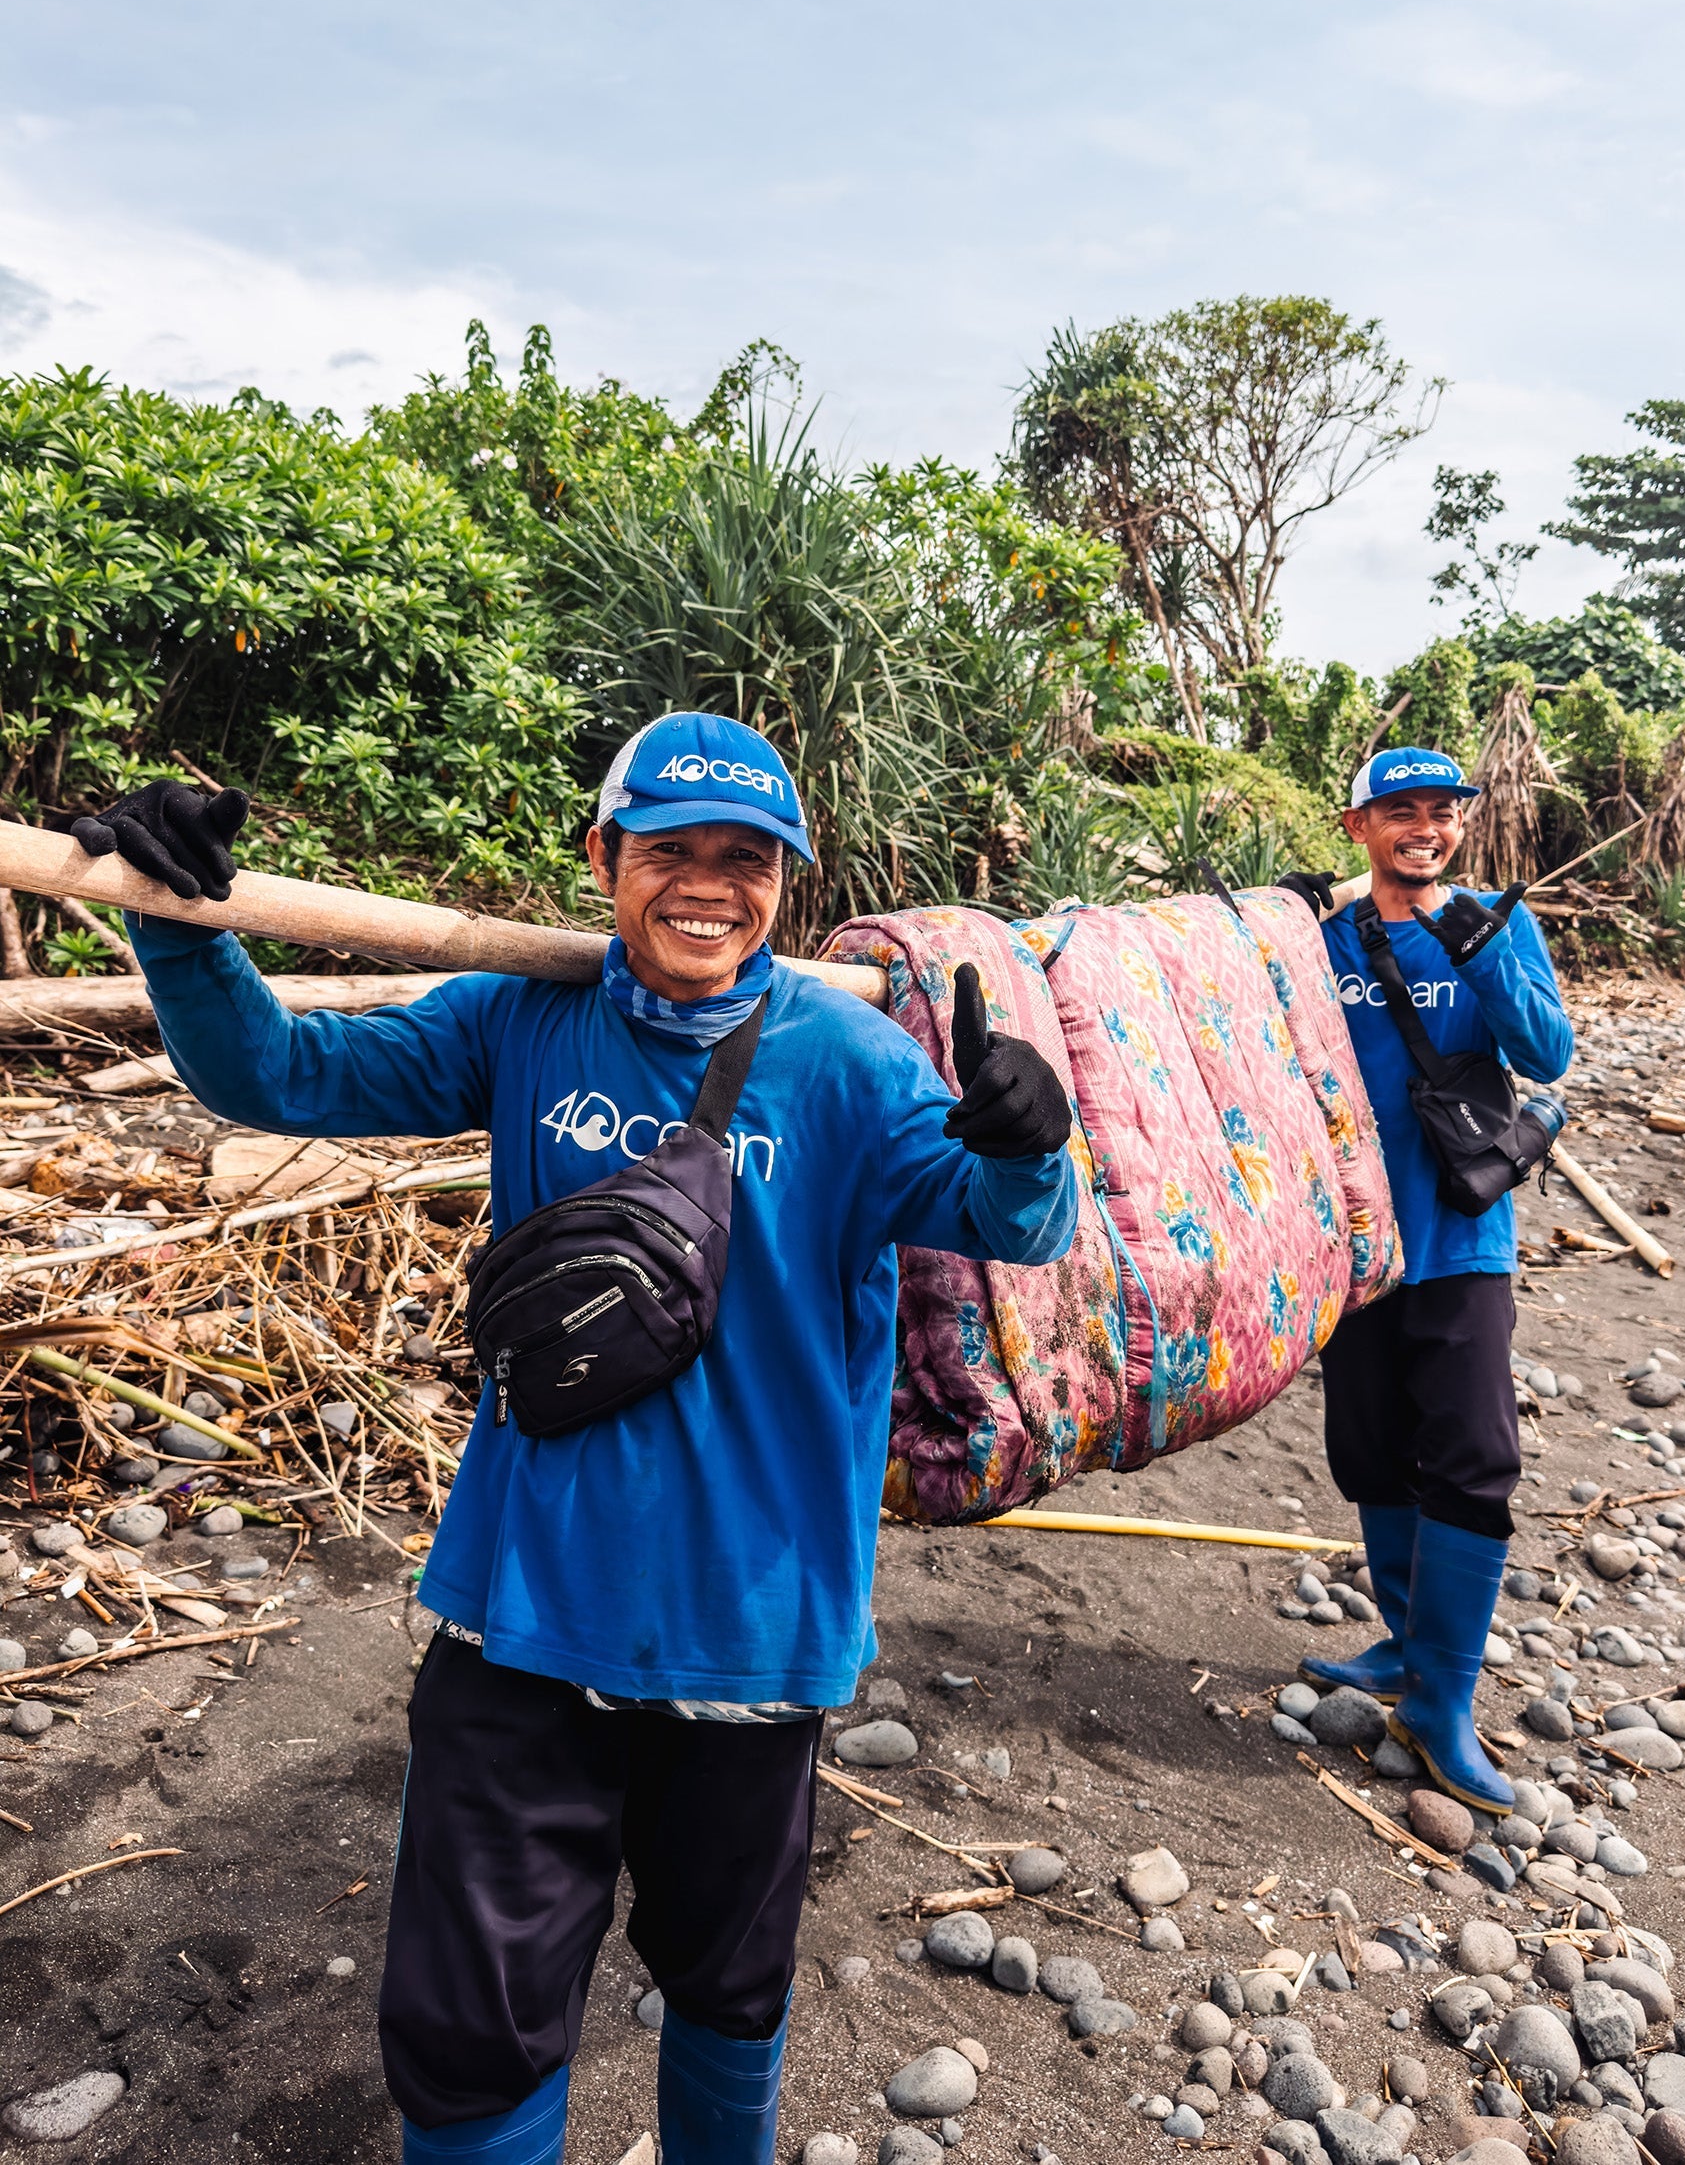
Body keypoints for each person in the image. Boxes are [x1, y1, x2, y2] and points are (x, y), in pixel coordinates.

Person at [78, 714, 1079, 2165]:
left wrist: (1025, 1138)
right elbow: (279, 1078)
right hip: (523, 1625)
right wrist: (182, 927)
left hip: (752, 1635)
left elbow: (1011, 1227)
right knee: (469, 2031)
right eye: (669, 850)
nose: (707, 887)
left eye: (746, 861)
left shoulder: (853, 1063)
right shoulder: (520, 1020)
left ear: (781, 885)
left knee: (727, 1995)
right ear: (603, 855)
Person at [1278, 746, 1572, 1812]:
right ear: (1357, 824)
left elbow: (1548, 1049)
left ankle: (1443, 1701)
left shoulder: (1494, 918)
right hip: (1354, 1244)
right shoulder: (1322, 935)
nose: (1426, 827)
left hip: (1462, 1235)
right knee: (1368, 1445)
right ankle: (1404, 1645)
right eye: (1400, 810)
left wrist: (1483, 947)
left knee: (1476, 1459)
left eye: (1442, 811)